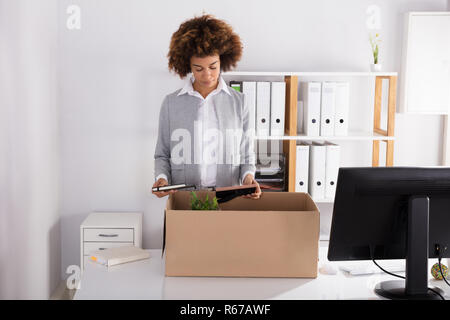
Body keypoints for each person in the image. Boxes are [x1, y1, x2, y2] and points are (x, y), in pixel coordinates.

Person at [152, 14, 261, 199]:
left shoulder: (239, 102)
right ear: (188, 66)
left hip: (227, 197)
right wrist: (162, 179)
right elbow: (162, 154)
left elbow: (246, 153)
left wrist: (248, 178)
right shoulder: (171, 103)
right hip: (184, 197)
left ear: (222, 61)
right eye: (198, 68)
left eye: (213, 66)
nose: (207, 75)